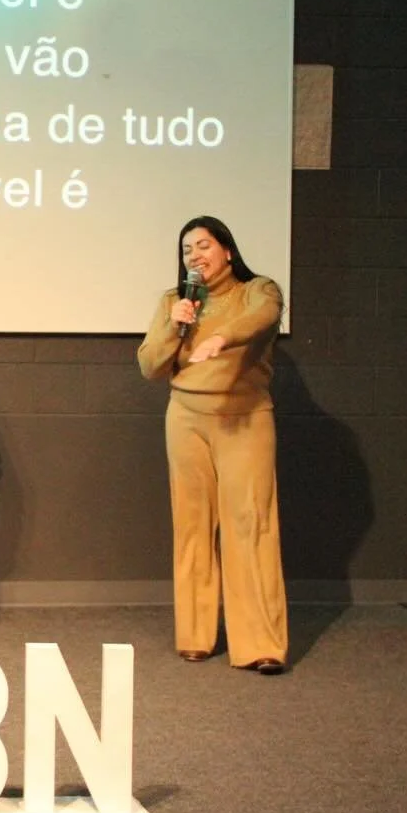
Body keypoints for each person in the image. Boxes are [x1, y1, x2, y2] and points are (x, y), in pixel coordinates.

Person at [136, 215, 289, 675]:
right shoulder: (176, 301)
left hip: (243, 418)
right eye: (187, 251)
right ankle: (196, 635)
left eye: (203, 246)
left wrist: (220, 338)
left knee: (251, 523)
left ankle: (260, 644)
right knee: (193, 525)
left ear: (226, 249)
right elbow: (149, 365)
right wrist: (174, 326)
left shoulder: (258, 290)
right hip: (185, 418)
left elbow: (260, 319)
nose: (195, 257)